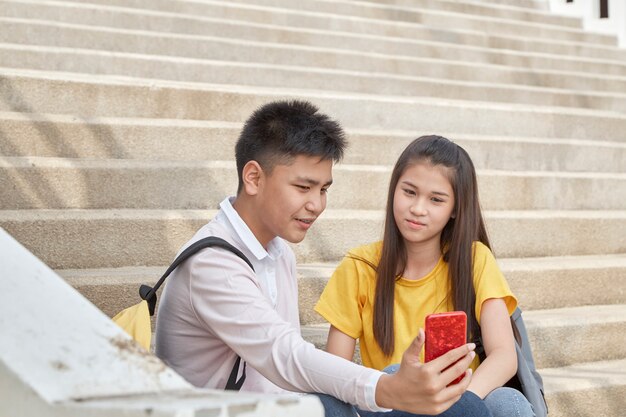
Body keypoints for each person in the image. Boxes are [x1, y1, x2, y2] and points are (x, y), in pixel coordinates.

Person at [155, 102, 487, 417]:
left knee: (485, 404)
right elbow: (285, 356)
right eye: (303, 187)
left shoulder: (278, 251)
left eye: (324, 189)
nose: (317, 204)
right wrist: (386, 389)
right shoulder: (213, 265)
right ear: (253, 178)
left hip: (281, 408)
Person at [315, 135, 534, 417]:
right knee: (381, 378)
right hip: (389, 403)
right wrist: (403, 390)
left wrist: (455, 402)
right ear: (394, 189)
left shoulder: (474, 259)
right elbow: (336, 371)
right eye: (409, 192)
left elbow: (504, 356)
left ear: (455, 209)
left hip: (462, 401)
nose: (418, 208)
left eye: (436, 200)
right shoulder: (360, 266)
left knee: (507, 402)